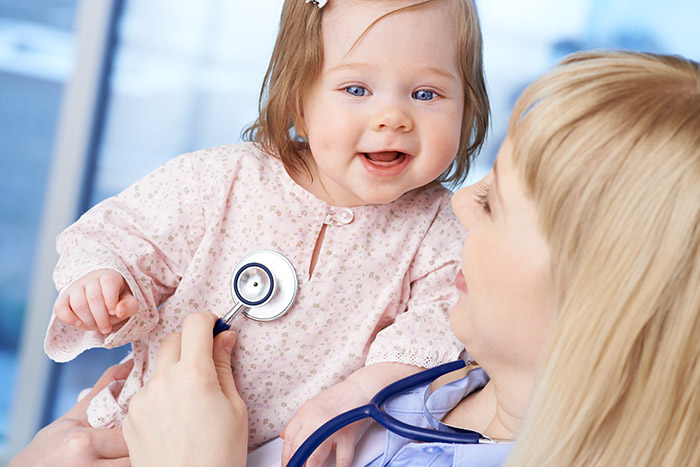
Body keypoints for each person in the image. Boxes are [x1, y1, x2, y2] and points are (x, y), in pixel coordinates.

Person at [18, 50, 699, 466]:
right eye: (355, 88)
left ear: (603, 291)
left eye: (494, 205)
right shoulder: (453, 387)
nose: (461, 205)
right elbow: (120, 237)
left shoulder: (421, 318)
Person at [43, 0, 489, 464]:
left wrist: (357, 394)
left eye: (426, 94)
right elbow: (122, 234)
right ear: (299, 101)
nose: (392, 117)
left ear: (467, 106)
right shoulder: (221, 181)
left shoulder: (442, 231)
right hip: (137, 435)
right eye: (357, 89)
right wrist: (102, 280)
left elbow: (439, 328)